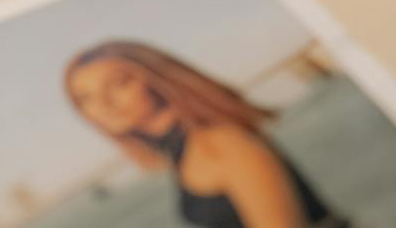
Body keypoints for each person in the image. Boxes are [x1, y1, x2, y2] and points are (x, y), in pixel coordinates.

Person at [65, 41, 346, 228]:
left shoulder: (220, 143)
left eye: (117, 84)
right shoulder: (184, 151)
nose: (103, 104)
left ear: (154, 76)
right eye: (85, 99)